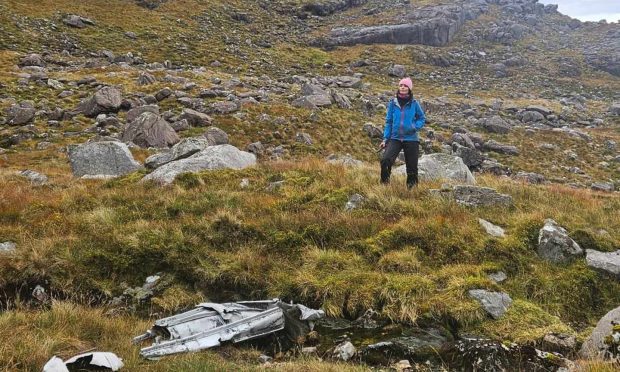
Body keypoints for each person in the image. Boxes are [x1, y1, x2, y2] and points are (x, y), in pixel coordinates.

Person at [379, 77, 426, 188]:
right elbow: (389, 121)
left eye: (405, 86)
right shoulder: (393, 103)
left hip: (411, 139)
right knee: (385, 160)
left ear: (409, 88)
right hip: (395, 138)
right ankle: (384, 186)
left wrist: (414, 127)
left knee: (412, 167)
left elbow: (422, 118)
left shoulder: (414, 103)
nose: (403, 87)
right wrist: (385, 139)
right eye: (401, 85)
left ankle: (412, 190)